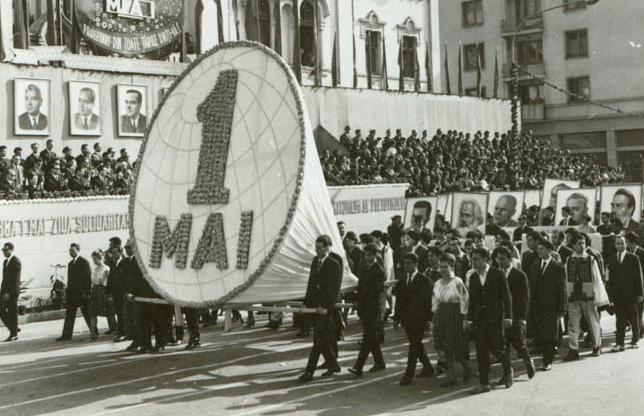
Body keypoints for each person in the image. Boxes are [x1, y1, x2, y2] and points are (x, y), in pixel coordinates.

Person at [467, 248, 513, 394]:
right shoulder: (473, 277)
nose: (473, 262)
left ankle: (507, 371)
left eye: (477, 259)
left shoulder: (497, 274)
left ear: (486, 259)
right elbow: (472, 301)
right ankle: (484, 383)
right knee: (481, 351)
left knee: (498, 348)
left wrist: (508, 317)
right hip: (480, 320)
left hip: (495, 318)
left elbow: (506, 297)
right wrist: (469, 319)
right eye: (472, 259)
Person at [298, 235, 343, 383]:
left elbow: (333, 290)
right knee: (322, 340)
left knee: (318, 341)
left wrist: (325, 307)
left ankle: (309, 372)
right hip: (315, 307)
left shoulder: (333, 264)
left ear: (327, 247)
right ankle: (334, 364)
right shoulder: (315, 262)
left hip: (326, 308)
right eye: (316, 248)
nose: (317, 251)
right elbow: (311, 284)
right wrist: (305, 303)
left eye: (320, 248)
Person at [564, 232, 608, 360]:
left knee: (593, 322)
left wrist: (599, 297)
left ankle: (597, 346)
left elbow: (597, 279)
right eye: (579, 243)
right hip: (573, 297)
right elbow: (566, 279)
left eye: (583, 243)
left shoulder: (591, 259)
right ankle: (573, 349)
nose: (582, 245)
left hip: (588, 297)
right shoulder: (569, 260)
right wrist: (566, 295)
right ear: (573, 245)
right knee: (573, 324)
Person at [431, 253, 470, 387]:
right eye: (441, 267)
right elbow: (435, 300)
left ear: (452, 267)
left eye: (445, 267)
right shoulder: (437, 283)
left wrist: (464, 317)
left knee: (454, 346)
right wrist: (434, 318)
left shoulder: (457, 282)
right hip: (442, 314)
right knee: (444, 347)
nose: (442, 270)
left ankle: (466, 367)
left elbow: (464, 300)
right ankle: (451, 375)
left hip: (454, 315)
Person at [496, 247, 535, 379]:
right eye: (498, 258)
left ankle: (528, 361)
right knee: (503, 345)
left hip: (516, 315)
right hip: (500, 315)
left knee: (518, 342)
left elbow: (525, 298)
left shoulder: (519, 275)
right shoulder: (495, 274)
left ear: (510, 259)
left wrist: (523, 318)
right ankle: (507, 373)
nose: (500, 261)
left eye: (503, 259)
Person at [348, 244, 386, 377]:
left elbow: (375, 292)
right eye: (365, 255)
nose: (367, 257)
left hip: (374, 308)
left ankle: (358, 367)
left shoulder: (379, 271)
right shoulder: (363, 268)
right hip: (365, 307)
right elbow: (360, 287)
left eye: (369, 255)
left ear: (375, 255)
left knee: (368, 337)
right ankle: (380, 362)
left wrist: (362, 296)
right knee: (372, 337)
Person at [397, 252, 434, 386]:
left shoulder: (424, 280)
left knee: (413, 345)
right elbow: (399, 301)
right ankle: (428, 367)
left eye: (409, 263)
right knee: (416, 344)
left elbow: (429, 302)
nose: (406, 266)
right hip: (407, 319)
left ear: (416, 264)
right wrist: (396, 318)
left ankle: (409, 374)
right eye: (405, 263)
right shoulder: (402, 279)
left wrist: (430, 319)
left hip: (420, 319)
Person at [529, 239, 566, 371]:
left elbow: (562, 289)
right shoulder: (535, 266)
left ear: (549, 250)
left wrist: (561, 308)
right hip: (537, 306)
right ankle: (545, 356)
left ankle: (548, 360)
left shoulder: (557, 267)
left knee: (550, 334)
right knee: (540, 333)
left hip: (551, 306)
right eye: (538, 249)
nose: (539, 251)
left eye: (542, 249)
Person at [607, 235, 643, 351]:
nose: (620, 246)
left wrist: (640, 294)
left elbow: (638, 277)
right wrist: (610, 295)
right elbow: (610, 278)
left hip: (631, 294)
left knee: (634, 318)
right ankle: (619, 343)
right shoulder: (612, 259)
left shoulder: (633, 258)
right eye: (618, 244)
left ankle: (635, 340)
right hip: (618, 295)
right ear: (615, 245)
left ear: (626, 244)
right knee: (620, 319)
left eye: (622, 243)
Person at [57, 243, 92, 341]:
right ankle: (66, 335)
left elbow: (87, 279)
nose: (70, 252)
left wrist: (86, 293)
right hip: (72, 295)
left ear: (78, 250)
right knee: (69, 315)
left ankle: (94, 332)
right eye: (69, 251)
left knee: (87, 314)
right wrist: (67, 293)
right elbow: (70, 280)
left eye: (72, 250)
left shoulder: (84, 262)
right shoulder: (70, 264)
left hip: (82, 294)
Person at [88, 250, 115, 341]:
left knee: (109, 312)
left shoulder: (106, 268)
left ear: (100, 258)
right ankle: (93, 333)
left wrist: (103, 281)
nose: (94, 261)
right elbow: (93, 281)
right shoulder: (95, 269)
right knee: (92, 312)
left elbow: (107, 281)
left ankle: (114, 331)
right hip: (95, 291)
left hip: (103, 291)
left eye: (95, 259)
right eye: (93, 259)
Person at [625, 231, 644, 340]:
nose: (625, 244)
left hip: (641, 287)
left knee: (639, 309)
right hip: (629, 287)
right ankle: (640, 328)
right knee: (632, 310)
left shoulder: (642, 253)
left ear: (632, 242)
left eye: (626, 242)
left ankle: (637, 333)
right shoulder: (626, 253)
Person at [1, 242, 20, 342]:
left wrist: (8, 293)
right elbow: (4, 279)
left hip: (12, 293)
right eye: (3, 250)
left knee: (13, 312)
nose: (4, 252)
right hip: (5, 292)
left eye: (6, 250)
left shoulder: (16, 261)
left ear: (11, 250)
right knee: (1, 310)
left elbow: (14, 280)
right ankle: (13, 328)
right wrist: (3, 292)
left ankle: (14, 334)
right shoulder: (5, 262)